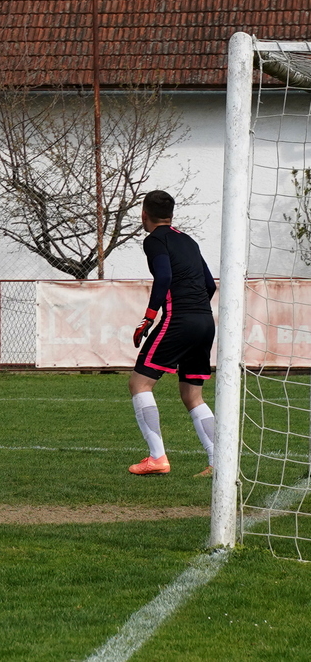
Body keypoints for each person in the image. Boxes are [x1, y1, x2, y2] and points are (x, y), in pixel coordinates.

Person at [128, 190, 217, 477]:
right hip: (205, 320)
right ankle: (218, 462)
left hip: (179, 319)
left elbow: (164, 276)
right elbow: (209, 284)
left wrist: (149, 317)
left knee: (139, 384)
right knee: (192, 395)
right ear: (172, 214)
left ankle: (157, 458)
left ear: (144, 214)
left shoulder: (154, 240)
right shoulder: (188, 240)